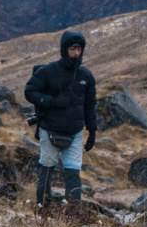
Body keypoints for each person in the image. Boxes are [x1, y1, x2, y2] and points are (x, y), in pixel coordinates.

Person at [24, 30, 98, 213]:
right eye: (73, 49)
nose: (76, 53)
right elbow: (30, 91)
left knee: (73, 171)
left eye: (79, 49)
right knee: (47, 168)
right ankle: (42, 210)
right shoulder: (48, 72)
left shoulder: (86, 77)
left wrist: (92, 132)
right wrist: (51, 102)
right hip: (50, 129)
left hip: (75, 132)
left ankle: (73, 215)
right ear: (64, 50)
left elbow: (90, 106)